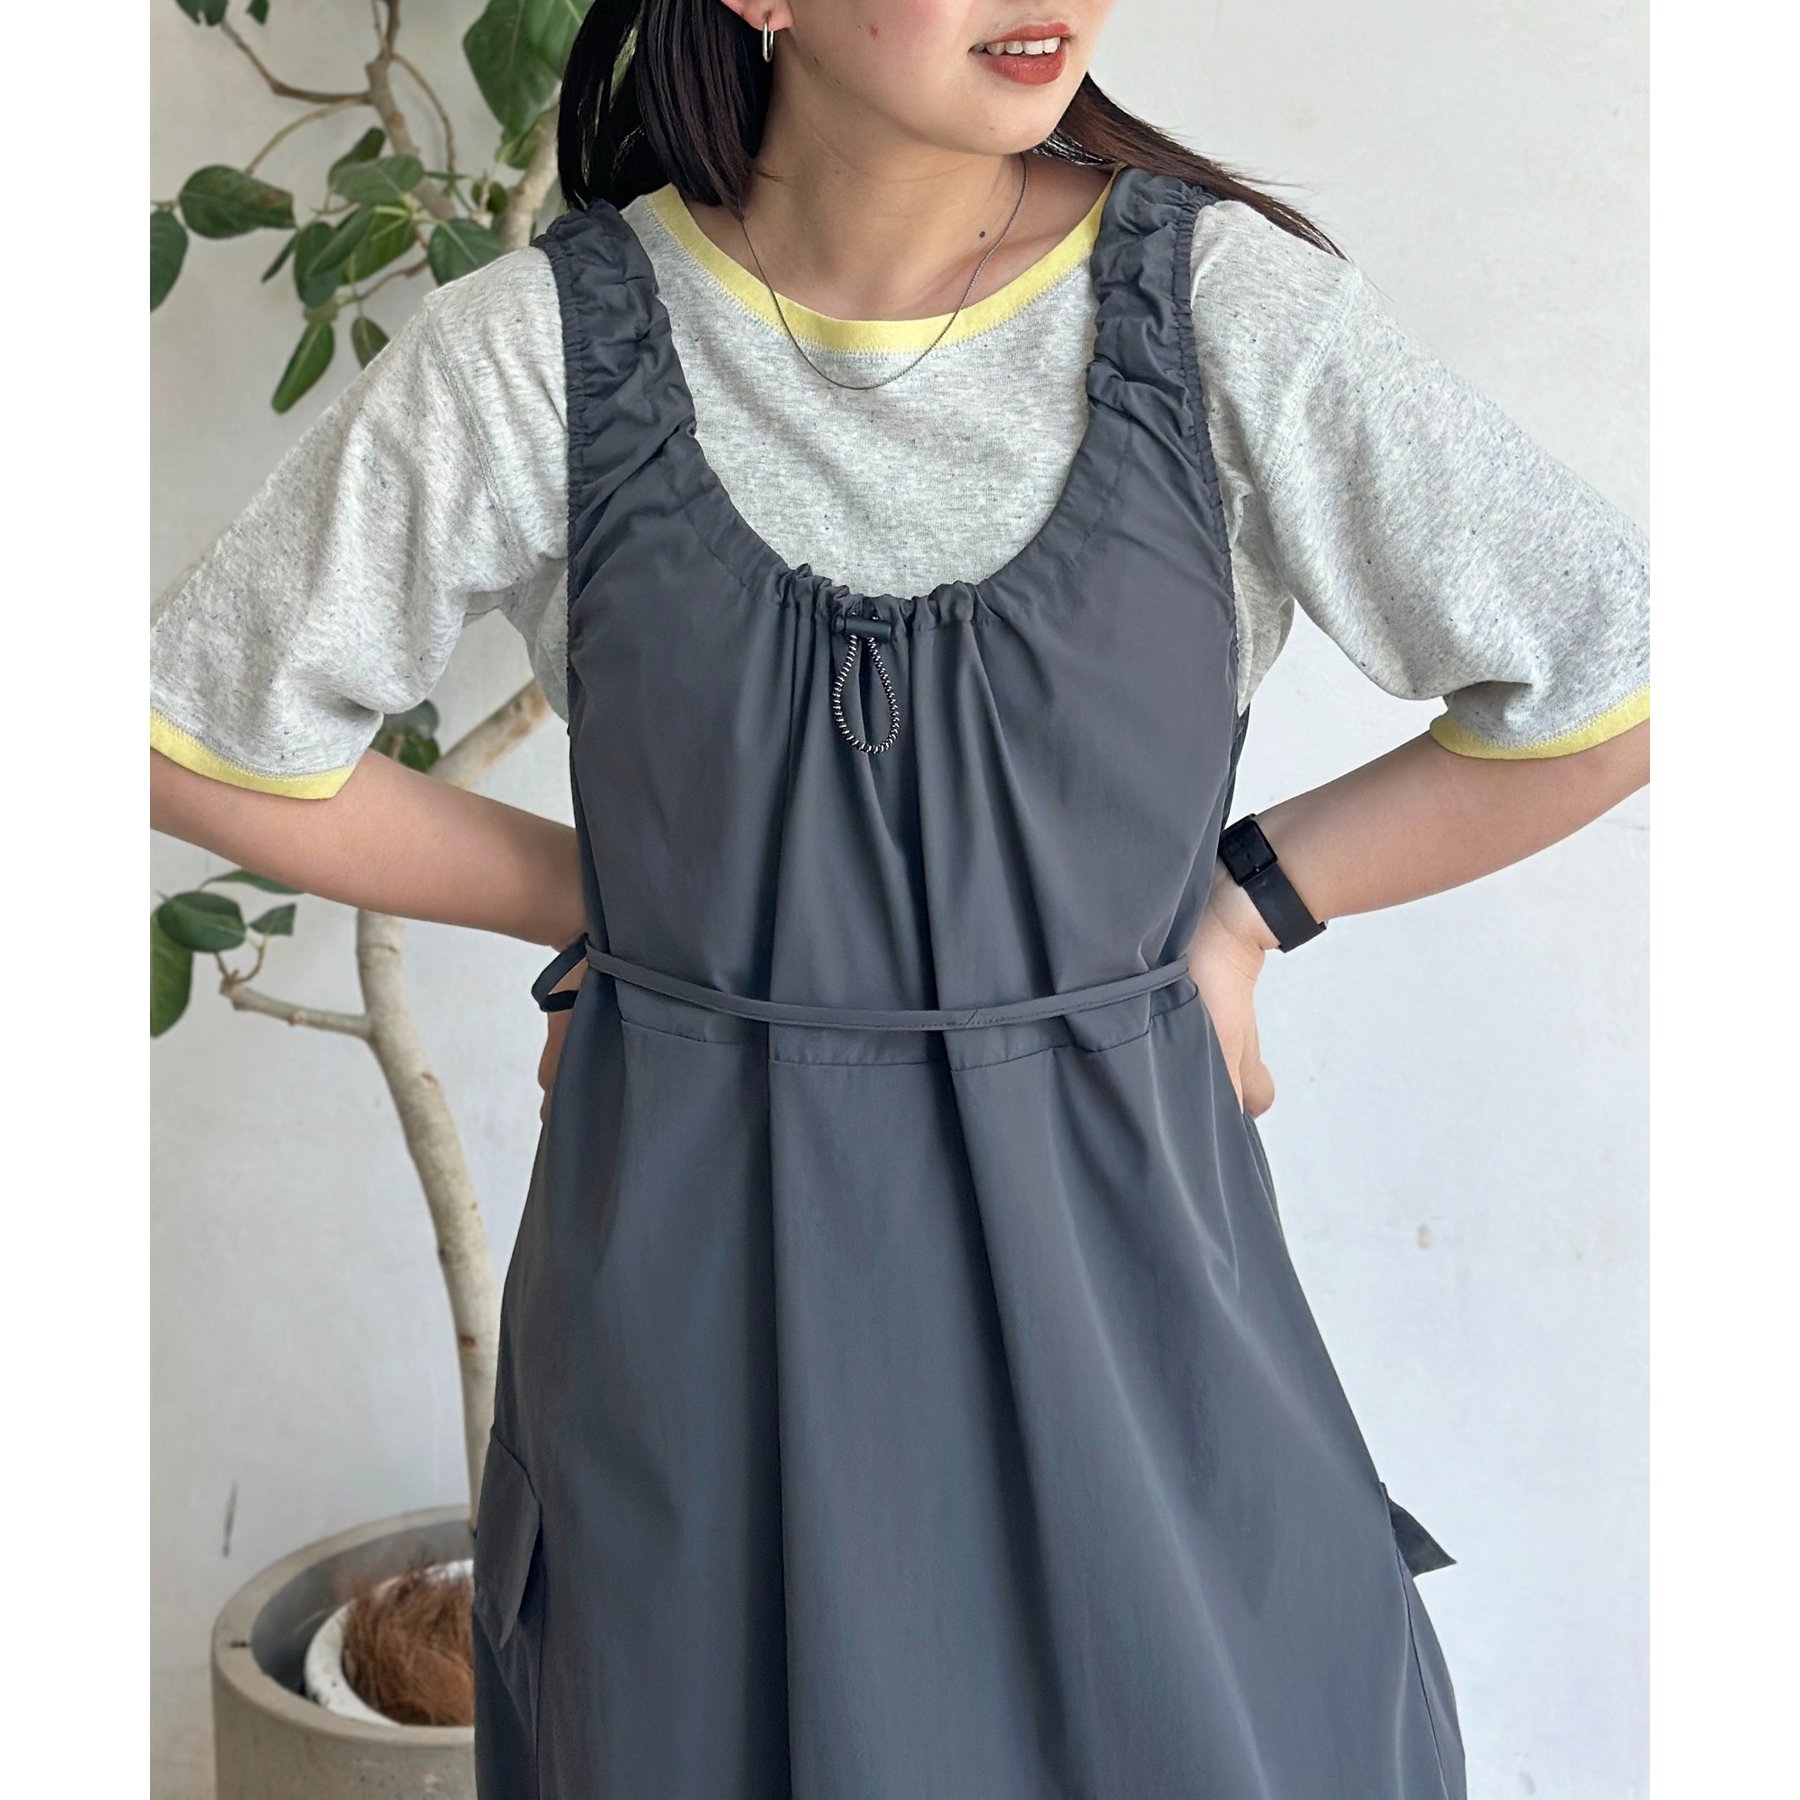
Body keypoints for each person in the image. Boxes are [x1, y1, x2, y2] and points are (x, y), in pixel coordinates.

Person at [150, 4, 1649, 1796]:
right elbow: (195, 734)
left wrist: (1251, 907)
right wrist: (620, 912)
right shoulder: (537, 350)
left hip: (1136, 1338)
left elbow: (1614, 676)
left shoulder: (1223, 314)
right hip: (699, 1348)